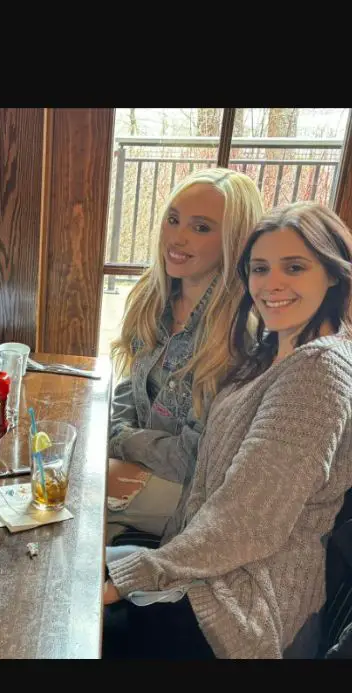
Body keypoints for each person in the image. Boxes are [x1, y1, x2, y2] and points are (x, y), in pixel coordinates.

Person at [102, 201, 352, 659]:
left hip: (243, 607)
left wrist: (143, 572)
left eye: (294, 267)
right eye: (259, 269)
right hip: (201, 569)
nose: (271, 284)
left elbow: (248, 521)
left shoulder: (318, 370)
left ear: (333, 273)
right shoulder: (270, 352)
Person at [107, 168, 263, 538]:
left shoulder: (239, 335)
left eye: (201, 227)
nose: (177, 237)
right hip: (139, 461)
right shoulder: (152, 297)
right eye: (173, 220)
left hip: (193, 494)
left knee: (74, 495)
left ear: (235, 241)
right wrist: (114, 434)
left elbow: (195, 457)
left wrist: (121, 442)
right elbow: (130, 387)